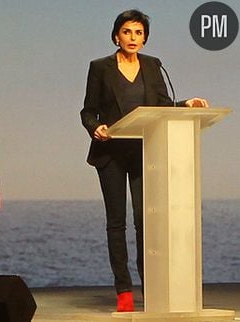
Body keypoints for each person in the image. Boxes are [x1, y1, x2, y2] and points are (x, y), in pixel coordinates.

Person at [79, 9, 208, 312]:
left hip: (144, 153)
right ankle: (123, 290)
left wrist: (185, 105)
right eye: (127, 32)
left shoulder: (153, 66)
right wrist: (94, 127)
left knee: (144, 222)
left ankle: (150, 287)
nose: (133, 38)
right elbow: (87, 110)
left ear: (145, 38)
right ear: (116, 36)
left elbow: (161, 107)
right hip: (110, 153)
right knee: (116, 223)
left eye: (138, 33)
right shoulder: (99, 67)